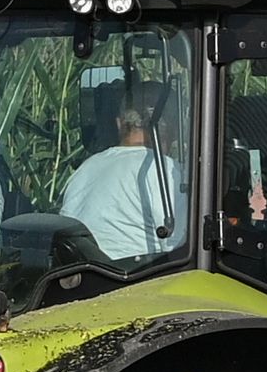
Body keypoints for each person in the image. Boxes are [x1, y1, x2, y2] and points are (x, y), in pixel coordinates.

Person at [57, 91, 187, 264]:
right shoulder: (167, 172)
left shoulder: (85, 169)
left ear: (119, 124)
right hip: (138, 276)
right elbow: (181, 250)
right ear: (175, 129)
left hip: (82, 275)